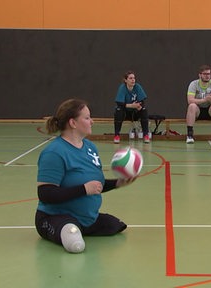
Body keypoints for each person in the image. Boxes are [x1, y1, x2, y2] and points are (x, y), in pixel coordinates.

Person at [35, 98, 136, 253]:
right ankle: (71, 230)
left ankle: (82, 225)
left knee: (116, 225)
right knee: (73, 240)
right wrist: (83, 189)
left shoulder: (90, 147)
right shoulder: (54, 152)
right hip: (55, 216)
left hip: (87, 218)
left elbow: (95, 185)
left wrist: (117, 183)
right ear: (73, 123)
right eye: (87, 118)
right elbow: (45, 194)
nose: (92, 122)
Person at [185, 64, 211, 144]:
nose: (207, 76)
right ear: (200, 75)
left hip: (210, 111)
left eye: (209, 74)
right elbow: (190, 100)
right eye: (205, 74)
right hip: (198, 111)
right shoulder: (193, 84)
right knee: (192, 106)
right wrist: (204, 100)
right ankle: (189, 135)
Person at [113, 70, 150, 144]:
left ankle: (146, 135)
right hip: (125, 113)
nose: (133, 80)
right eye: (130, 78)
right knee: (118, 110)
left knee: (144, 110)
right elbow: (119, 103)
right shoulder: (122, 88)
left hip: (135, 113)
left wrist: (139, 106)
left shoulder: (138, 87)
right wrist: (131, 105)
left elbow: (142, 101)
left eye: (134, 78)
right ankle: (117, 135)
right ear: (126, 80)